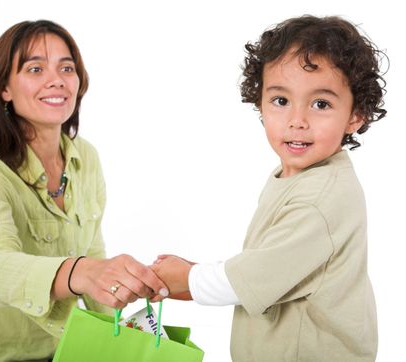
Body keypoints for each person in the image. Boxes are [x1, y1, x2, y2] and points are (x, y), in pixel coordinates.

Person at [151, 15, 386, 361]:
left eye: (321, 104)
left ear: (355, 115)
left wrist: (188, 278)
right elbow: (272, 262)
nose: (297, 120)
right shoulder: (298, 175)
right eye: (281, 100)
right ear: (260, 101)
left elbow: (247, 278)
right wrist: (189, 276)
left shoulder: (321, 200)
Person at [0, 20, 168, 362]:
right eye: (35, 68)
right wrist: (80, 272)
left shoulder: (85, 157)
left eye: (66, 67)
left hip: (63, 351)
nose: (56, 79)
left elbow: (94, 252)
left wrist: (124, 323)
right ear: (4, 88)